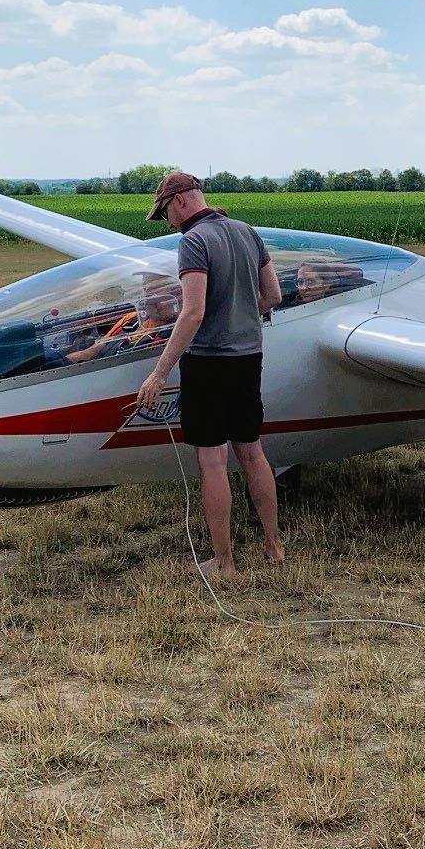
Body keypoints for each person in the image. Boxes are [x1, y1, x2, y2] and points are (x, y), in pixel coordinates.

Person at [134, 172, 285, 574]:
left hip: (208, 362)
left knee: (213, 461)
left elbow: (193, 311)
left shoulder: (194, 241)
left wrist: (158, 374)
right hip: (248, 358)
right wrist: (239, 316)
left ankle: (224, 561)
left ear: (180, 201)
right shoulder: (246, 232)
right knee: (252, 452)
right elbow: (273, 296)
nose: (168, 222)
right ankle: (273, 547)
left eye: (165, 212)